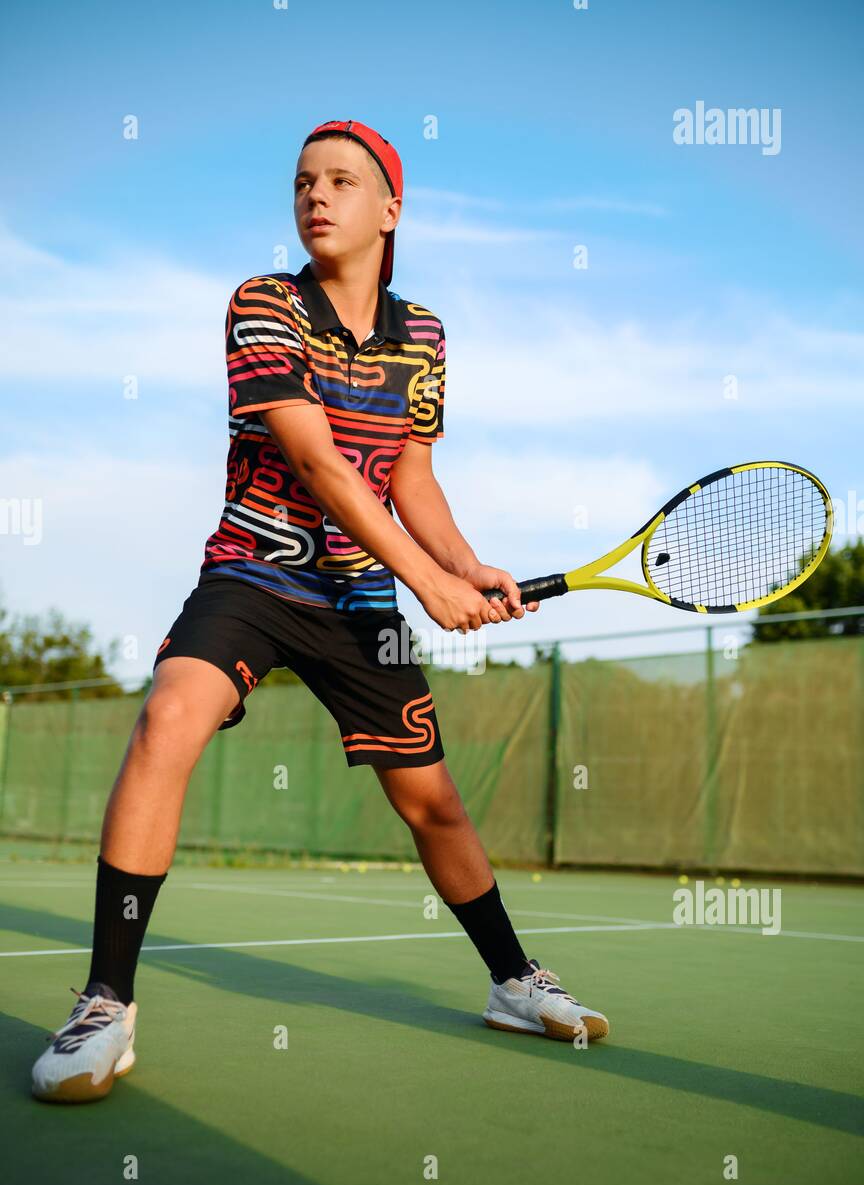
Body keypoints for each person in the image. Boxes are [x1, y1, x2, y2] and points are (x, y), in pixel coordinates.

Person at [32, 119, 608, 1104]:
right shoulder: (262, 304)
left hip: (360, 603)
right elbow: (317, 459)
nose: (316, 195)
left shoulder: (423, 335)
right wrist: (431, 584)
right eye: (303, 180)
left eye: (343, 180)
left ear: (391, 209)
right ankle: (105, 1005)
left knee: (431, 801)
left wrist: (466, 564)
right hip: (252, 577)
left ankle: (513, 979)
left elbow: (411, 473)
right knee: (168, 718)